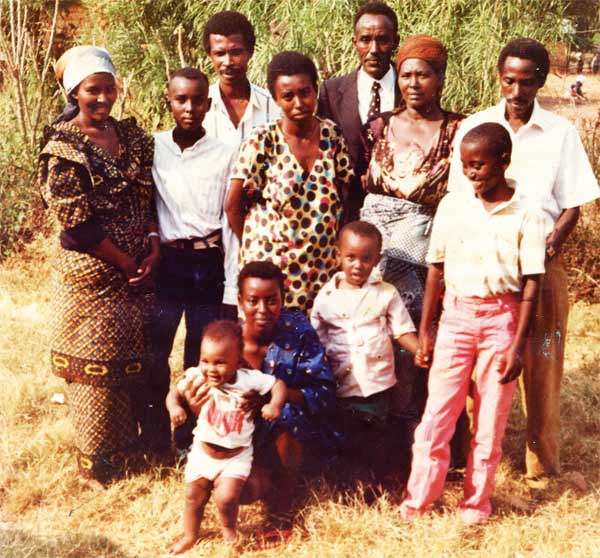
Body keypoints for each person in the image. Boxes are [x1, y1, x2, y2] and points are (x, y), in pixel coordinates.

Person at [448, 38, 599, 485]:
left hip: (541, 261)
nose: (517, 91)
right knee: (482, 365)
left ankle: (542, 466)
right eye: (509, 80)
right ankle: (480, 459)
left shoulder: (559, 132)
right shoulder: (475, 127)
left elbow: (573, 203)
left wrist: (550, 245)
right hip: (486, 263)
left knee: (543, 362)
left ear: (540, 80)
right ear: (500, 77)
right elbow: (461, 199)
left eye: (527, 81)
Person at [400, 123, 546, 525]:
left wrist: (518, 345)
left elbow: (532, 281)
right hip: (457, 316)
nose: (471, 174)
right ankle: (419, 500)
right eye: (465, 166)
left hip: (502, 318)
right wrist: (427, 329)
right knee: (438, 414)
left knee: (489, 417)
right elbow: (436, 269)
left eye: (479, 165)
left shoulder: (527, 212)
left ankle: (477, 504)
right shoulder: (454, 205)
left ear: (504, 161)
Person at [37, 46, 159, 485]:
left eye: (109, 88)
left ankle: (131, 459)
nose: (103, 98)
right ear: (75, 91)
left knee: (132, 368)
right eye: (93, 90)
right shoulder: (63, 148)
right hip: (91, 283)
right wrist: (125, 261)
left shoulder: (132, 138)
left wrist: (151, 243)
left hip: (137, 277)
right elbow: (78, 228)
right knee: (93, 375)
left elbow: (148, 198)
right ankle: (98, 471)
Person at [360, 35, 465, 461]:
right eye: (406, 74)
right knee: (378, 346)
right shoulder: (379, 127)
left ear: (440, 78)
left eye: (424, 74)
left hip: (427, 261)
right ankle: (383, 452)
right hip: (375, 261)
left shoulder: (458, 129)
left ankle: (433, 449)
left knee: (423, 351)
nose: (414, 83)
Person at [180, 261, 340, 540]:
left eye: (272, 300)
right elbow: (198, 390)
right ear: (240, 301)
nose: (263, 310)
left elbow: (324, 392)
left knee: (286, 415)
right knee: (245, 491)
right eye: (253, 301)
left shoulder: (299, 332)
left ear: (283, 299)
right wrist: (196, 405)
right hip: (236, 440)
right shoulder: (225, 341)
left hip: (288, 435)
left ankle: (282, 509)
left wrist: (273, 398)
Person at [149, 67, 237, 452]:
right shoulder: (153, 147)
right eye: (180, 99)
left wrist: (231, 279)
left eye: (197, 99)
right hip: (167, 263)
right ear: (168, 100)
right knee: (155, 350)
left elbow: (230, 219)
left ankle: (191, 440)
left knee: (199, 356)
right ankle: (152, 435)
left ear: (208, 102)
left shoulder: (225, 152)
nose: (189, 107)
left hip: (207, 263)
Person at [225, 51, 354, 312]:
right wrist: (256, 248)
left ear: (316, 91)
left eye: (305, 93)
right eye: (288, 96)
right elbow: (232, 205)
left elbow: (345, 195)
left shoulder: (331, 135)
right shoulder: (262, 140)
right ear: (275, 99)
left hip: (321, 268)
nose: (298, 103)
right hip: (273, 272)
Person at [311, 221, 418, 485]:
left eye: (366, 259)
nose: (358, 265)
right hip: (341, 382)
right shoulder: (326, 297)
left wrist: (423, 352)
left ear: (377, 260)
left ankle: (376, 481)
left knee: (376, 436)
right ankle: (347, 483)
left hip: (376, 382)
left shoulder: (386, 293)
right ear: (338, 254)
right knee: (347, 436)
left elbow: (402, 330)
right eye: (351, 257)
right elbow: (317, 340)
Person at [166, 320, 286, 552]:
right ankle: (190, 535)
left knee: (226, 498)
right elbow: (174, 392)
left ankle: (229, 534)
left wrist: (275, 405)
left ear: (238, 360)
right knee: (193, 496)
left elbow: (278, 384)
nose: (211, 369)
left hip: (235, 456)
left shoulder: (248, 379)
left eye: (220, 363)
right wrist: (175, 408)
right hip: (202, 452)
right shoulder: (197, 376)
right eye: (205, 361)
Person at [318, 1, 400, 221]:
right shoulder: (331, 91)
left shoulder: (410, 88)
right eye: (366, 40)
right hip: (347, 214)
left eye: (382, 40)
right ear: (355, 43)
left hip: (398, 214)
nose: (374, 50)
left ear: (395, 41)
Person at [202, 10, 280, 149]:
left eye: (236, 52)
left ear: (249, 52)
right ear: (210, 56)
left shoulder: (274, 107)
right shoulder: (197, 109)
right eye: (220, 53)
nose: (228, 61)